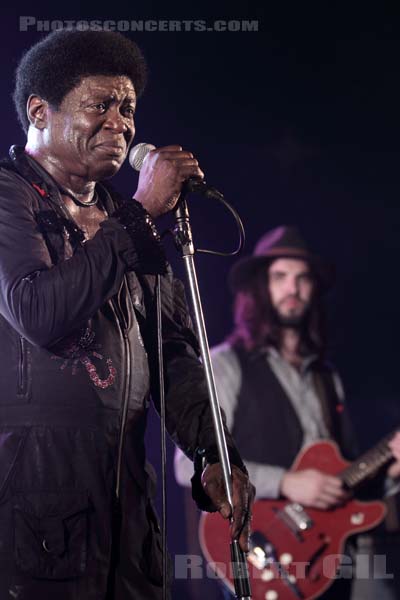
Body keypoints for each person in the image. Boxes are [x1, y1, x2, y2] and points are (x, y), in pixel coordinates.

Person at [0, 29, 254, 600]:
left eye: (128, 109)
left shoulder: (121, 215)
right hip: (33, 504)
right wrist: (140, 214)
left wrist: (214, 450)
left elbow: (174, 352)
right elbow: (38, 312)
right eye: (100, 106)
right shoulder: (7, 197)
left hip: (128, 503)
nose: (120, 123)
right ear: (40, 110)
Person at [175, 225, 400, 599]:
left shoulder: (327, 377)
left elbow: (342, 477)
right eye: (280, 277)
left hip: (329, 555)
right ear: (260, 288)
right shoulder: (226, 364)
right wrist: (287, 482)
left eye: (302, 278)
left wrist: (390, 469)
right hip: (264, 548)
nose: (292, 288)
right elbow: (188, 467)